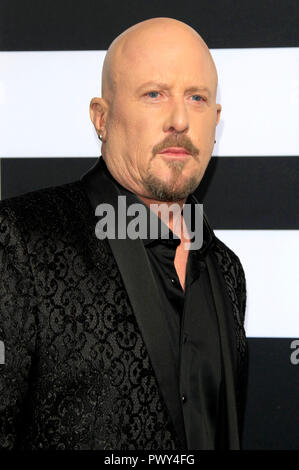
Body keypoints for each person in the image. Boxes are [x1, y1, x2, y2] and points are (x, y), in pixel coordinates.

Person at [0, 17, 248, 450]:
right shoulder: (19, 241)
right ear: (102, 117)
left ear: (216, 121)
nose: (179, 119)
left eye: (197, 98)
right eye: (154, 94)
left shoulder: (228, 270)